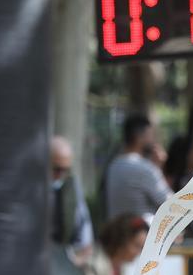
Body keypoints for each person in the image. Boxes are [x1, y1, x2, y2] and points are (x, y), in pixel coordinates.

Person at [103, 114, 173, 221]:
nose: (153, 141)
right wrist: (160, 168)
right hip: (143, 234)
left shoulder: (113, 166)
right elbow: (170, 204)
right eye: (151, 135)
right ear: (139, 137)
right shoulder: (144, 168)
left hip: (118, 232)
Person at [50, 135, 93, 266]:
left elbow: (84, 231)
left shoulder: (71, 189)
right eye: (57, 169)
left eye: (65, 170)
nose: (60, 175)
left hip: (63, 260)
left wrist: (78, 259)